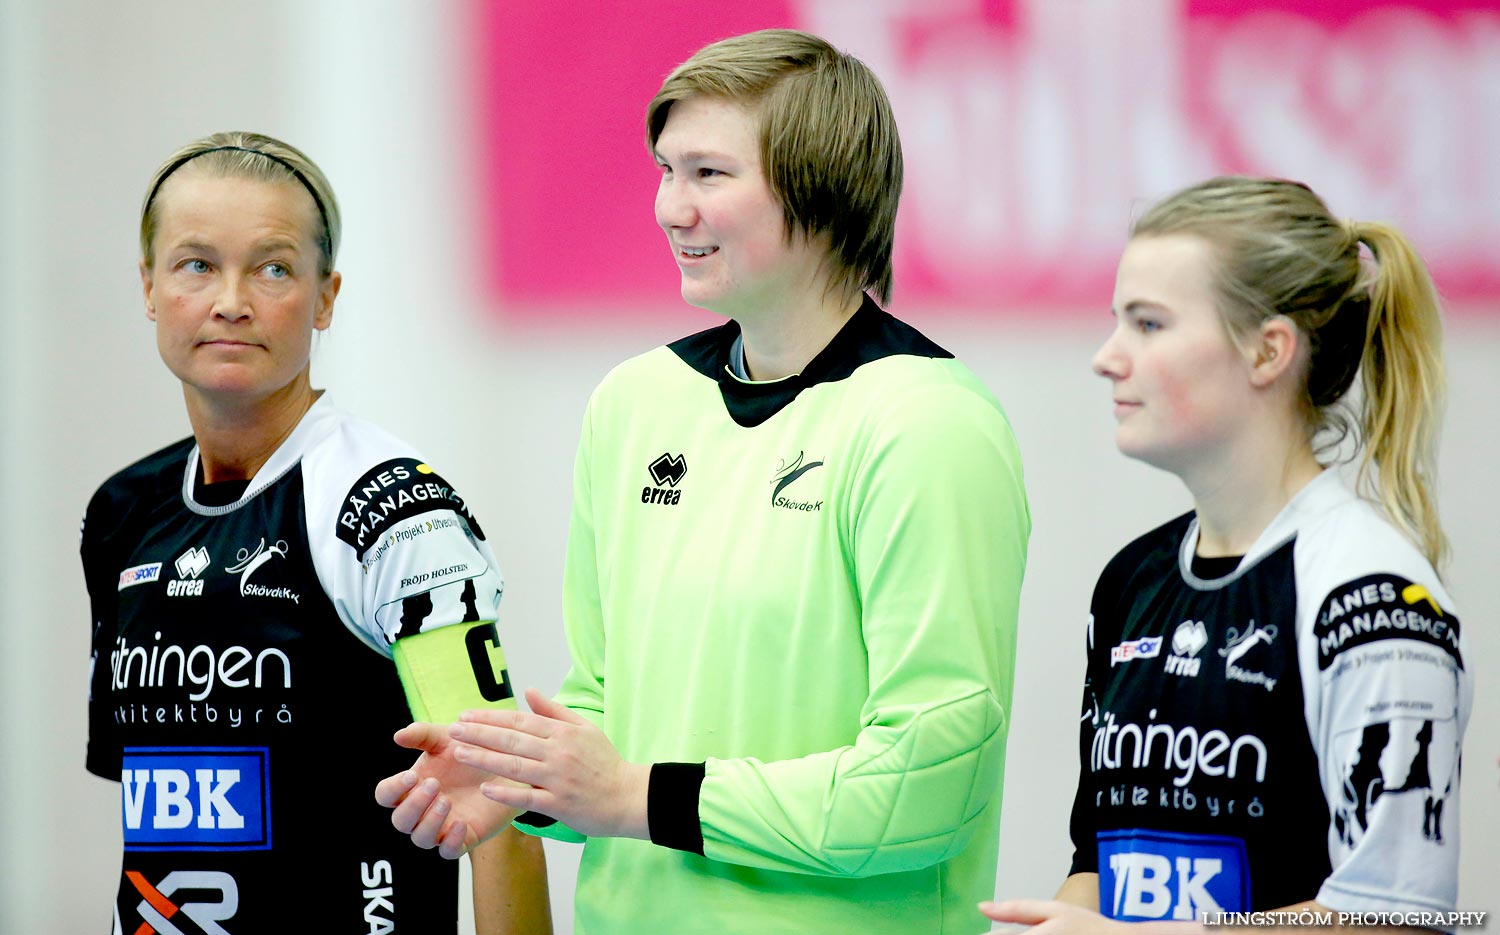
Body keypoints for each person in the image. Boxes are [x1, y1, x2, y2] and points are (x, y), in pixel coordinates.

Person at [374, 29, 1030, 934]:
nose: (670, 208)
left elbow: (925, 785)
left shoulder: (927, 424)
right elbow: (609, 701)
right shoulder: (635, 404)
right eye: (664, 169)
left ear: (819, 188)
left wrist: (638, 797)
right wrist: (522, 780)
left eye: (709, 175)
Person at [82, 130, 551, 933]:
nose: (231, 299)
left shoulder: (391, 509)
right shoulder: (122, 510)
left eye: (272, 267)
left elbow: (500, 814)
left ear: (325, 296)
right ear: (149, 287)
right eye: (197, 264)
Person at [983, 177, 1472, 932]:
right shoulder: (1131, 581)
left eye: (1148, 324)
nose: (1106, 358)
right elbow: (1097, 865)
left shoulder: (1370, 593)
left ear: (1268, 350)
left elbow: (1395, 916)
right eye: (1118, 321)